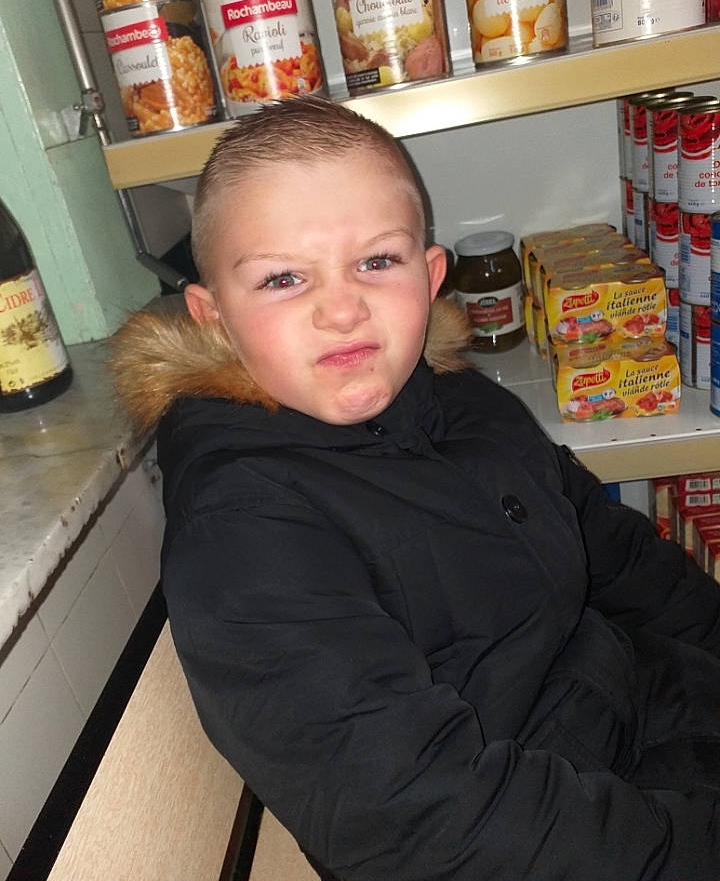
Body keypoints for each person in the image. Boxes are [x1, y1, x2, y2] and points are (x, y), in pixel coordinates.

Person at [112, 96, 720, 881]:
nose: (342, 309)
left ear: (430, 278)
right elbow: (420, 819)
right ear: (214, 317)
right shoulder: (244, 525)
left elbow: (619, 557)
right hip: (538, 834)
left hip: (632, 700)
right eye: (283, 278)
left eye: (377, 262)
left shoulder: (460, 400)